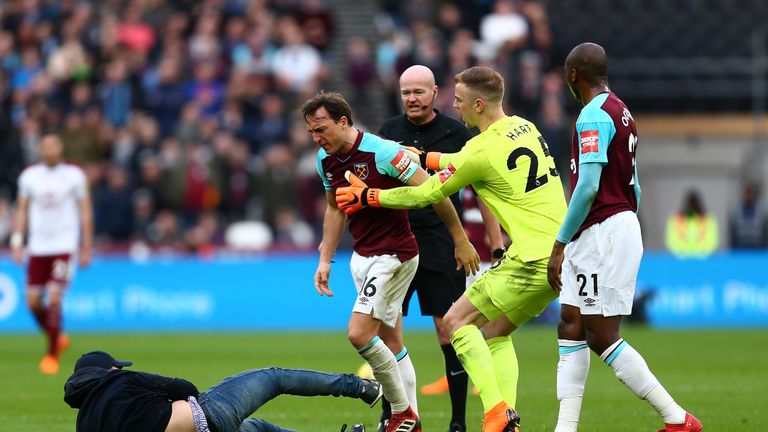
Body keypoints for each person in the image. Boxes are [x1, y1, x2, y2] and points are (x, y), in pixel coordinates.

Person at [336, 66, 567, 432]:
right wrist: (420, 157)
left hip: (528, 259)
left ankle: (495, 415)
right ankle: (506, 418)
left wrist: (370, 195)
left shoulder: (477, 147)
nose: (455, 108)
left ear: (478, 103)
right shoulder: (525, 127)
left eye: (459, 101)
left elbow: (427, 192)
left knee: (457, 323)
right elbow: (456, 162)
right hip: (559, 258)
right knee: (495, 332)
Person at [546, 42, 702, 432]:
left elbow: (587, 187)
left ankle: (677, 418)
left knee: (601, 335)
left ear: (573, 76)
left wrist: (560, 242)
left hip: (603, 230)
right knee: (570, 322)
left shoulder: (593, 115)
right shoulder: (622, 110)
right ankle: (565, 427)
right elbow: (635, 184)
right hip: (605, 226)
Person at [303, 91, 479, 432]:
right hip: (363, 257)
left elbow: (434, 191)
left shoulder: (383, 152)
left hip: (395, 255)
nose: (316, 138)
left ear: (343, 121)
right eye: (311, 132)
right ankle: (411, 419)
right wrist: (325, 259)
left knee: (358, 334)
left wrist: (460, 238)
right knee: (392, 343)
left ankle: (401, 412)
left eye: (321, 129)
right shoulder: (324, 159)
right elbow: (334, 208)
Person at [377, 65, 502, 432]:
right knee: (388, 333)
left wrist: (495, 245)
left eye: (418, 92)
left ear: (434, 92)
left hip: (442, 243)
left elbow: (482, 192)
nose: (412, 99)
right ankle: (393, 415)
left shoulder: (456, 132)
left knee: (450, 331)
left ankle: (458, 421)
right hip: (396, 241)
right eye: (405, 93)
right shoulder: (388, 133)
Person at [64, 350, 383, 432]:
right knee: (275, 377)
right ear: (108, 369)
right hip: (207, 415)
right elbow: (183, 387)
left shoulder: (85, 423)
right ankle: (361, 387)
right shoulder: (121, 381)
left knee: (260, 429)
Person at [10, 133, 93, 375]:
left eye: (53, 145)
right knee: (33, 302)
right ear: (40, 149)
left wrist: (86, 245)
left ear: (61, 148)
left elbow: (85, 211)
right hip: (37, 247)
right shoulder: (29, 177)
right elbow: (22, 210)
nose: (49, 150)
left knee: (55, 299)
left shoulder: (74, 176)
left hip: (63, 246)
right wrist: (17, 239)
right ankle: (57, 335)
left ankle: (51, 354)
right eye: (45, 146)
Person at [665, 189, 719, 258]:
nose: (692, 207)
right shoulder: (675, 220)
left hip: (703, 260)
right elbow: (671, 241)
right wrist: (683, 254)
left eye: (694, 204)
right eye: (690, 204)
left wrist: (700, 254)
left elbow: (712, 242)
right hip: (680, 260)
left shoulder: (709, 220)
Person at [729, 182, 767, 249]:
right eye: (747, 193)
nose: (748, 196)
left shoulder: (761, 211)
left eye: (750, 193)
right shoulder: (736, 211)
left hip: (757, 248)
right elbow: (733, 233)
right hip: (741, 248)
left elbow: (765, 232)